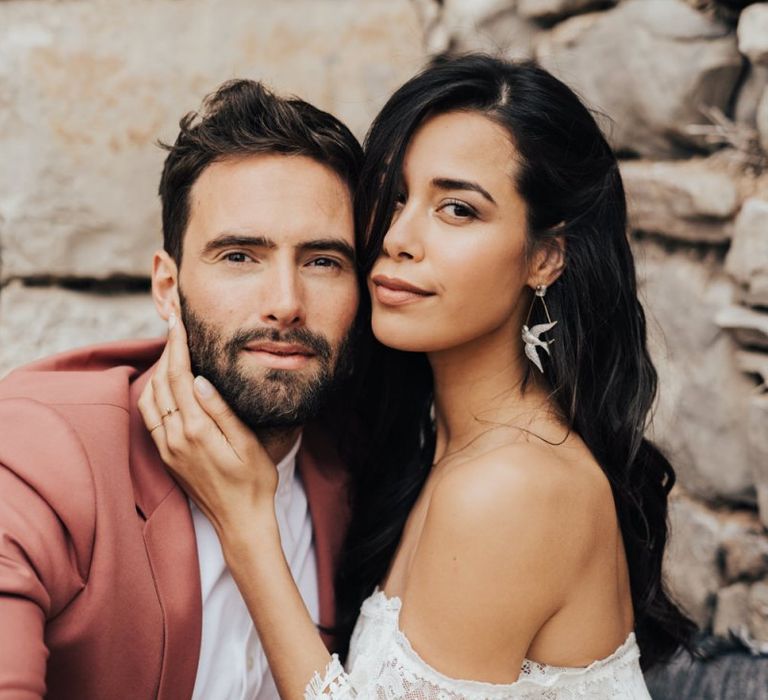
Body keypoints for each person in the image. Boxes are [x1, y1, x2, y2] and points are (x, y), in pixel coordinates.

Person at [141, 54, 697, 698]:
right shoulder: (436, 445)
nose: (399, 237)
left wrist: (245, 523)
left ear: (545, 257)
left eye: (457, 209)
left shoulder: (515, 483)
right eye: (394, 197)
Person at [0, 79, 364, 699]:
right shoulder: (39, 452)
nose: (285, 304)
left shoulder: (365, 469)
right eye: (239, 256)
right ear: (168, 288)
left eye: (323, 261)